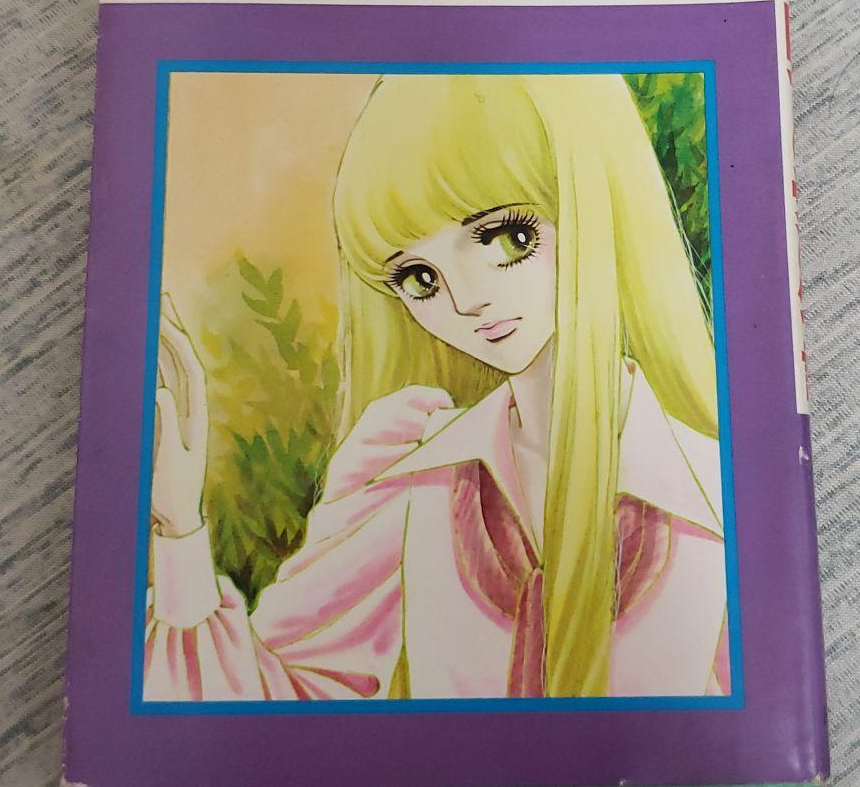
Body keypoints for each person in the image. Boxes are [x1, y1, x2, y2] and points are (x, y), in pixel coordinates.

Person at [145, 73, 729, 701]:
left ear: (592, 203)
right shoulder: (406, 469)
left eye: (508, 238)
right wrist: (179, 529)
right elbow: (279, 710)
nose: (467, 300)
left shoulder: (713, 492)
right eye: (420, 278)